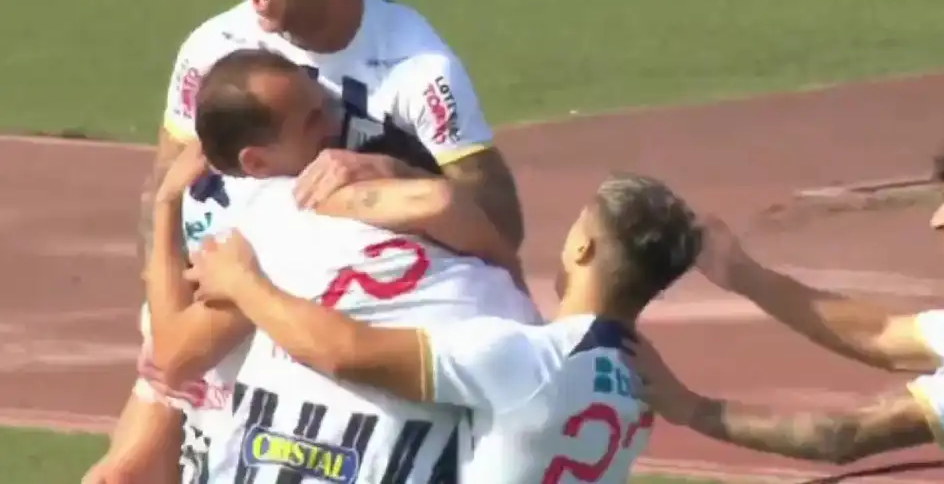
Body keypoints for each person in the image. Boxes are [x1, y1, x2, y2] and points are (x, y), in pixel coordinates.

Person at [105, 49, 536, 484]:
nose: (335, 123)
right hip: (506, 378)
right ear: (256, 162)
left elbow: (171, 357)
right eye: (311, 120)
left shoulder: (267, 219)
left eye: (325, 105)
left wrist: (167, 206)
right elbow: (173, 358)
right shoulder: (283, 209)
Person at [183, 172, 703, 483]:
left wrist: (244, 281)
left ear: (582, 249)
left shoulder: (526, 359)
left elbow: (343, 352)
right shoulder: (639, 391)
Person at [138, 0, 523, 274]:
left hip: (382, 294)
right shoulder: (214, 49)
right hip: (243, 293)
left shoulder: (418, 69)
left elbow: (502, 224)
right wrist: (162, 312)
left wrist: (391, 171)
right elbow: (164, 189)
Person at [629, 124, 944, 483]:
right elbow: (880, 335)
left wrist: (689, 408)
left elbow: (843, 436)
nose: (938, 221)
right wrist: (742, 274)